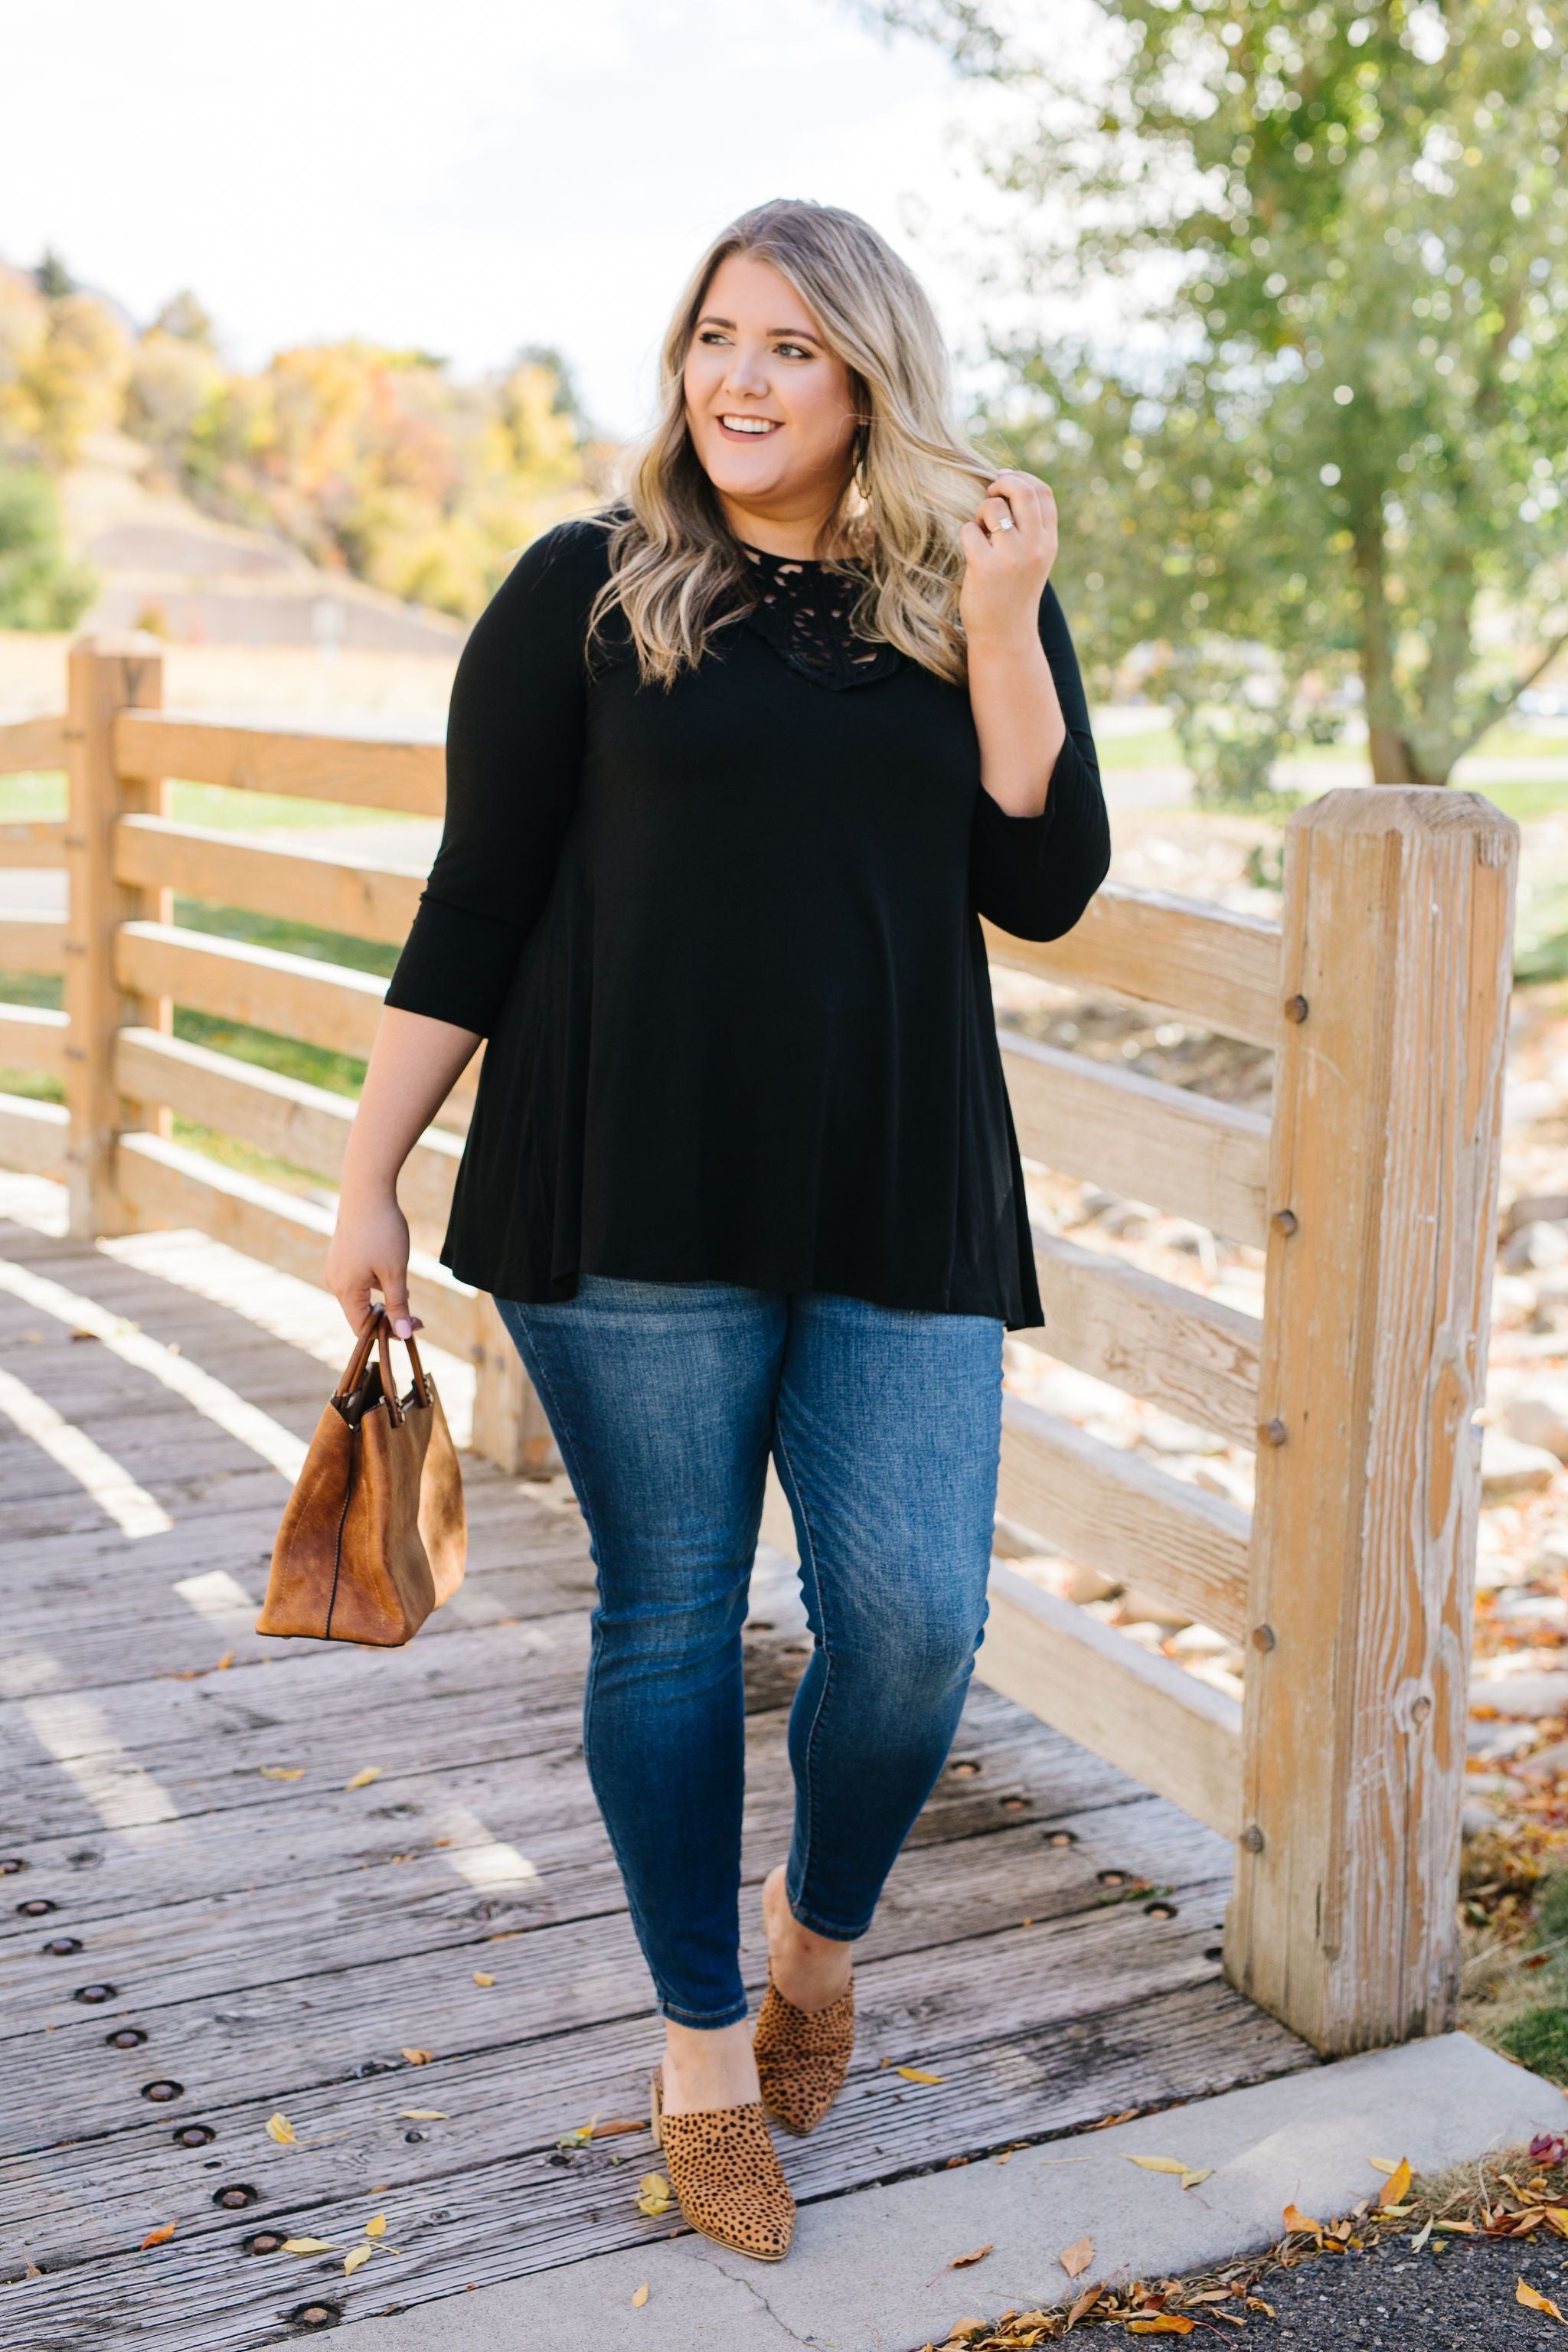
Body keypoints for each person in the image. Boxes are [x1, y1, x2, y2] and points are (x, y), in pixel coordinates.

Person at [325, 197, 1109, 2263]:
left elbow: (1045, 888)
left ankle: (815, 1947)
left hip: (895, 1182)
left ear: (867, 380)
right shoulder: (587, 590)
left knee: (918, 1615)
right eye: (715, 337)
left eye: (788, 346)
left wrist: (1016, 616)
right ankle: (697, 2048)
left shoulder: (960, 595)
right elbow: (475, 892)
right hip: (629, 1182)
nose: (738, 378)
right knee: (673, 1615)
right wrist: (368, 1171)